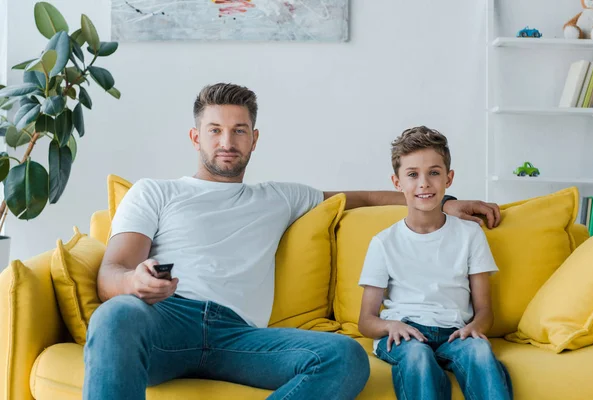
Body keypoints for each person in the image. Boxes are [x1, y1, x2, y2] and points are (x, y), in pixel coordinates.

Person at [83, 84, 502, 400]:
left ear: (254, 138)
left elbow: (365, 197)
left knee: (345, 357)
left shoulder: (280, 197)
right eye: (214, 130)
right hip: (166, 321)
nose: (226, 142)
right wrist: (135, 284)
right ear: (196, 137)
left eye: (238, 130)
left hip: (239, 336)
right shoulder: (154, 192)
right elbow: (111, 275)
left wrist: (446, 202)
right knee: (116, 313)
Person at [357, 126, 512, 400]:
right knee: (417, 356)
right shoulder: (384, 242)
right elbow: (366, 321)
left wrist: (474, 329)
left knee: (479, 351)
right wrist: (391, 326)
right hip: (405, 333)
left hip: (455, 333)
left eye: (434, 173)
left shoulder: (470, 234)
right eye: (413, 175)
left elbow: (485, 309)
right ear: (397, 183)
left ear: (449, 178)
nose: (424, 183)